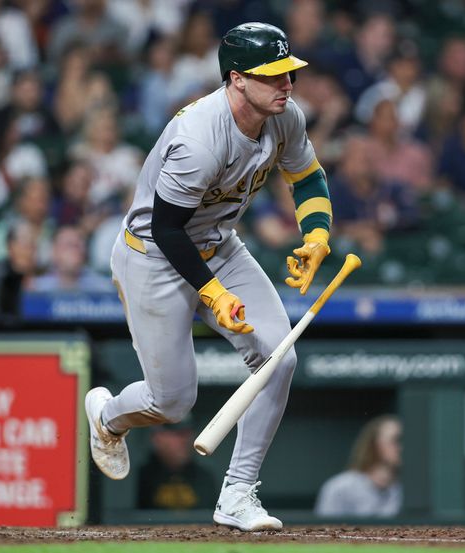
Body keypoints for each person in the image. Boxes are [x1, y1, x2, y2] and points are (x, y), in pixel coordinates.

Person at [84, 22, 332, 531]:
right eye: (273, 75)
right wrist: (213, 293)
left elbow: (307, 175)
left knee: (279, 358)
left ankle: (238, 493)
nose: (286, 83)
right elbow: (167, 229)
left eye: (289, 72)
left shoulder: (284, 117)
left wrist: (316, 235)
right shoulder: (200, 137)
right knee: (172, 402)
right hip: (153, 254)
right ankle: (108, 418)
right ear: (236, 79)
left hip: (219, 244)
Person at [314, 415, 402, 518]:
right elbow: (325, 531)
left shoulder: (409, 490)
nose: (403, 447)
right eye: (397, 440)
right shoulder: (340, 488)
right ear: (374, 444)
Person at [136, 417, 218, 510]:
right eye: (178, 434)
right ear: (157, 437)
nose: (185, 440)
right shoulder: (140, 477)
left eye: (188, 433)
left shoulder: (204, 477)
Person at [30, 225, 110, 291]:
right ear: (54, 252)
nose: (74, 251)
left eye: (78, 245)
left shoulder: (103, 288)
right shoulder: (36, 288)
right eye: (69, 245)